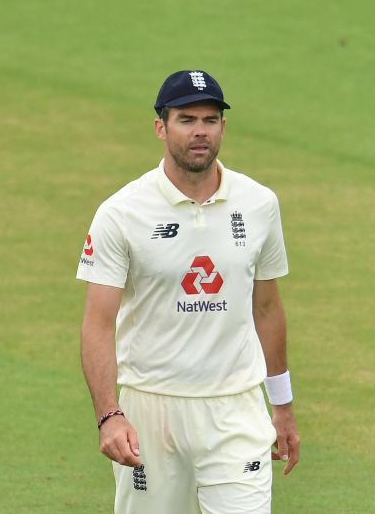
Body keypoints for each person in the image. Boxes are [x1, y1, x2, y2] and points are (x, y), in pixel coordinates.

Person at [77, 70, 300, 513]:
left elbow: (267, 307)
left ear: (223, 127)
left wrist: (283, 405)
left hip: (235, 408)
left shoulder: (259, 204)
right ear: (160, 127)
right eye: (187, 119)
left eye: (210, 120)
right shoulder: (122, 212)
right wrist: (109, 414)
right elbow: (97, 324)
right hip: (151, 408)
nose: (200, 131)